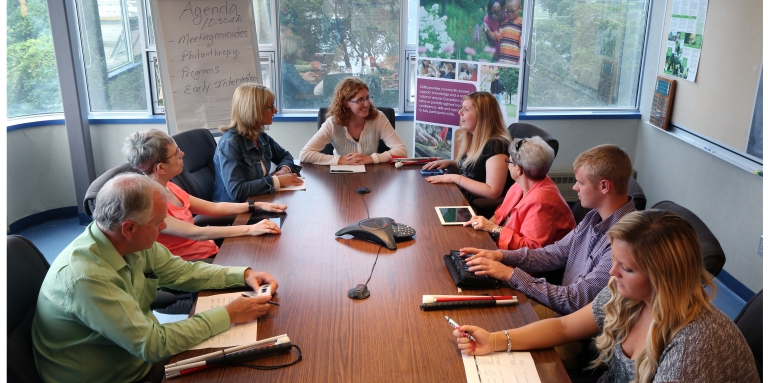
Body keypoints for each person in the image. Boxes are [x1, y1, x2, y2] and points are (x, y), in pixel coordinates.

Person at [454, 210, 760, 383]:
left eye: (625, 268)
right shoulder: (628, 294)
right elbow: (565, 327)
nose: (611, 273)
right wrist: (494, 340)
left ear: (662, 278)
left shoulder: (693, 345)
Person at [32, 173, 280, 383]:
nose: (164, 227)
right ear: (129, 228)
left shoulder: (130, 240)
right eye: (159, 222)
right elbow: (152, 345)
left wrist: (244, 274)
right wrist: (230, 314)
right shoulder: (86, 278)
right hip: (114, 376)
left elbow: (184, 272)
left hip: (135, 354)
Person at [461, 144, 636, 316]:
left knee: (490, 316)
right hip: (560, 307)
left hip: (573, 321)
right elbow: (553, 253)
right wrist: (501, 255)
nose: (574, 188)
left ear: (604, 187)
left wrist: (510, 274)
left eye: (581, 183)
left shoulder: (625, 240)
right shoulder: (592, 218)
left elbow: (576, 301)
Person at [124, 129, 286, 261]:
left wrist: (256, 205)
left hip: (207, 250)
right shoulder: (150, 205)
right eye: (175, 154)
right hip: (189, 264)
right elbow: (197, 233)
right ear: (160, 168)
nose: (182, 155)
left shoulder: (169, 187)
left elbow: (214, 208)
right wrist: (251, 229)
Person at [464, 137, 575, 250]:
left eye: (509, 161)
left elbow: (531, 250)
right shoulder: (523, 182)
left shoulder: (540, 203)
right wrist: (484, 228)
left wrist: (493, 229)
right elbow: (500, 214)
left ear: (518, 169)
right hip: (502, 246)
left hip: (523, 263)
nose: (507, 165)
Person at [213, 83, 303, 203]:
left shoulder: (260, 136)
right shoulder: (230, 143)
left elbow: (285, 155)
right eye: (270, 107)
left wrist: (284, 170)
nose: (275, 110)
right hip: (235, 210)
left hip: (258, 200)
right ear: (253, 110)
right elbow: (236, 191)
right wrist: (277, 181)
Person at [422, 91, 513, 203]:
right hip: (461, 197)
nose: (459, 112)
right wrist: (451, 164)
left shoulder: (497, 146)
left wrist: (455, 178)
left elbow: (493, 192)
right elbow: (474, 171)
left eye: (466, 109)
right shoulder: (473, 138)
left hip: (476, 212)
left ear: (483, 116)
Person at [300, 77, 406, 165]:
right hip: (340, 178)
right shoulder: (332, 123)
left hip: (371, 176)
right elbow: (305, 154)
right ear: (346, 103)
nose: (367, 104)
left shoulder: (378, 118)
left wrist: (371, 159)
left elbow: (401, 151)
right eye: (360, 100)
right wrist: (340, 160)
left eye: (367, 98)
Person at [281, 33, 319, 109]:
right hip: (290, 108)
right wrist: (318, 85)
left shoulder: (284, 64)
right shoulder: (288, 67)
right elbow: (306, 89)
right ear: (293, 48)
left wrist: (303, 77)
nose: (303, 50)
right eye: (300, 47)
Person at [498, 0, 523, 64]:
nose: (509, 14)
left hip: (514, 62)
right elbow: (498, 37)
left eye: (512, 11)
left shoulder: (522, 24)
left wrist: (519, 62)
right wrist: (487, 30)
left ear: (520, 9)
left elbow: (522, 46)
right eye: (507, 11)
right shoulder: (504, 24)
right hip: (502, 61)